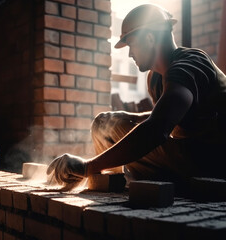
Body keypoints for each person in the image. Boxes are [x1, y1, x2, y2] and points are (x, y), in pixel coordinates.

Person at [46, 4, 226, 190]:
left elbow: (158, 129)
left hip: (214, 163)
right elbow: (167, 112)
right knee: (104, 123)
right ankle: (112, 182)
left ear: (149, 38)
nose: (130, 53)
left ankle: (98, 173)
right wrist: (130, 117)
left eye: (131, 44)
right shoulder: (155, 77)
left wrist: (86, 166)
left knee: (128, 132)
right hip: (190, 155)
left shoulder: (189, 65)